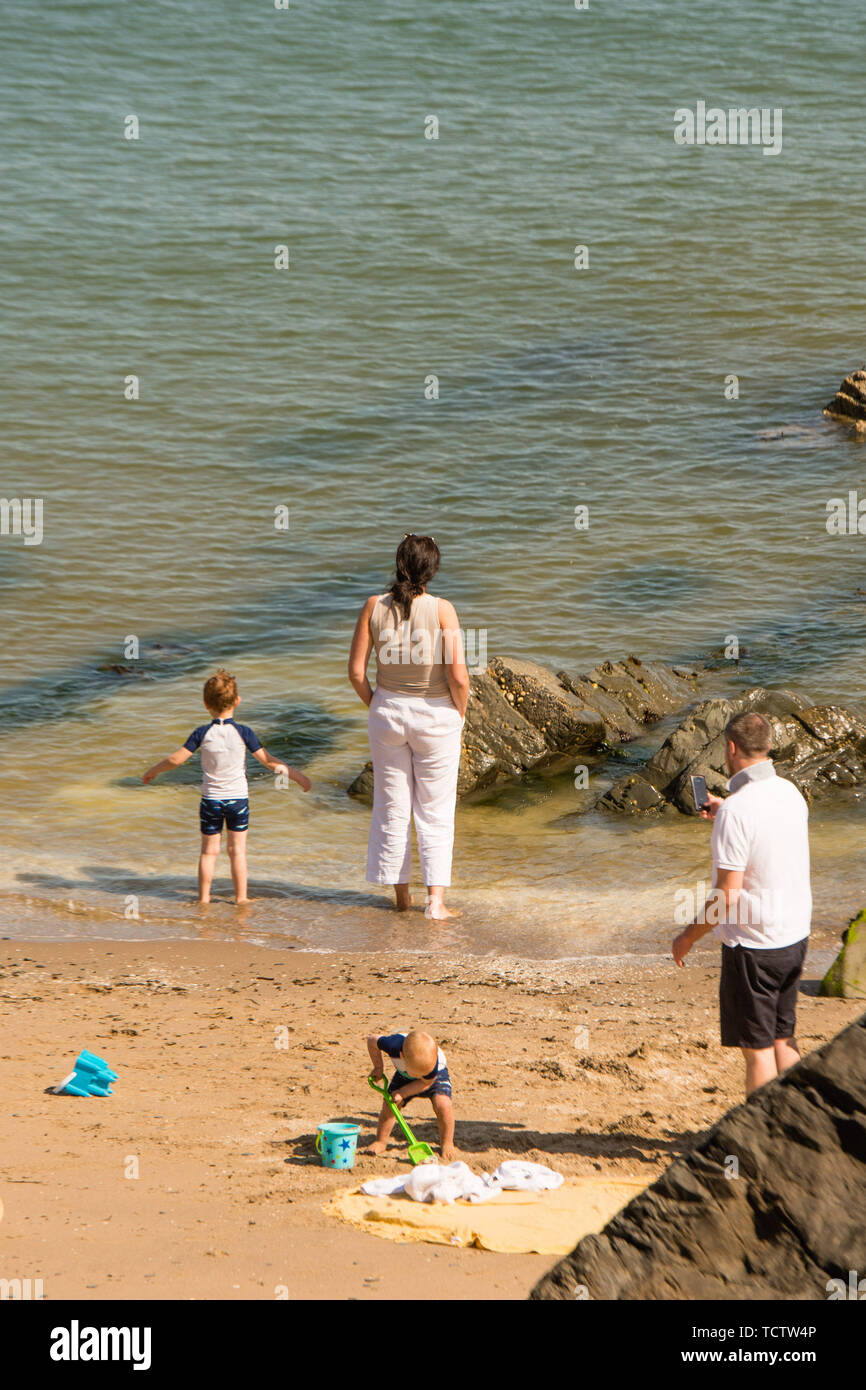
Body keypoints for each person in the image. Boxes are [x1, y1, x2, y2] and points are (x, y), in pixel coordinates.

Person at [672, 711, 811, 1097]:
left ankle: (761, 1138)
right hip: (794, 935)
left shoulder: (737, 810)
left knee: (759, 1051)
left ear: (731, 748)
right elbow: (769, 840)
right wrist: (724, 811)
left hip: (755, 948)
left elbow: (726, 895)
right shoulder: (790, 793)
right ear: (766, 746)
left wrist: (688, 936)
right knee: (784, 1038)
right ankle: (795, 1122)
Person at [348, 534, 470, 920]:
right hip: (435, 715)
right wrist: (460, 715)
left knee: (392, 805)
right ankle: (435, 903)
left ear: (399, 564)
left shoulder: (373, 606)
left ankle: (402, 899)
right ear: (431, 569)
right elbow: (459, 677)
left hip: (388, 712)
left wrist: (379, 704)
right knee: (434, 810)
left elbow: (355, 673)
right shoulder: (442, 610)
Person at [143, 668, 311, 903]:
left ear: (205, 703)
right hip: (238, 801)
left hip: (210, 801)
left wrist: (153, 771)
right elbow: (270, 762)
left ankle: (203, 898)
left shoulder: (202, 733)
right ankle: (241, 898)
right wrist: (299, 777)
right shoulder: (244, 733)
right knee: (237, 852)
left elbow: (176, 759)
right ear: (237, 701)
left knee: (208, 852)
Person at [366, 1028, 456, 1160]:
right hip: (404, 1074)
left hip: (434, 1078)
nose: (419, 1077)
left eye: (422, 1073)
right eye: (417, 1074)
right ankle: (381, 1141)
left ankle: (447, 1143)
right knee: (390, 1105)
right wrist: (378, 1067)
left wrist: (403, 1092)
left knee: (443, 1104)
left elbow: (426, 1082)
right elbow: (372, 1040)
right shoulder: (393, 1045)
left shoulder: (431, 1066)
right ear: (402, 1057)